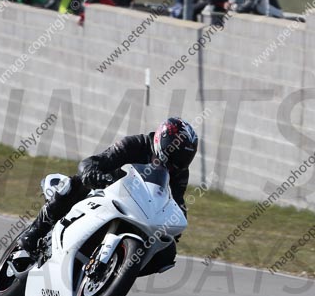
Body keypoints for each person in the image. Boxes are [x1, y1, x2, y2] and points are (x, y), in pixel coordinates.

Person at [18, 117, 199, 273]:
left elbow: (176, 202)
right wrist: (93, 173)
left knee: (167, 252)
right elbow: (94, 161)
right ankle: (35, 232)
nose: (177, 163)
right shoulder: (136, 144)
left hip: (139, 211)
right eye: (176, 154)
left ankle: (118, 271)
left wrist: (175, 226)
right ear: (162, 141)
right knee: (73, 185)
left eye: (184, 159)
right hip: (105, 191)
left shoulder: (179, 173)